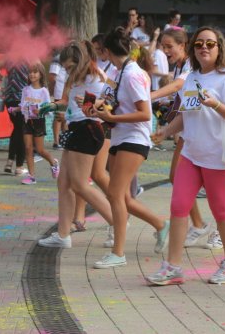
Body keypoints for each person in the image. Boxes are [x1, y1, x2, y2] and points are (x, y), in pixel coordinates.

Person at [146, 26, 225, 285]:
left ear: (219, 48)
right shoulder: (190, 79)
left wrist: (216, 105)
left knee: (221, 210)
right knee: (178, 206)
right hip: (191, 152)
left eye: (210, 44)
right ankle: (173, 267)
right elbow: (184, 115)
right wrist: (166, 131)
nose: (204, 47)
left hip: (219, 156)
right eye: (199, 43)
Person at [87, 27, 170, 269]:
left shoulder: (133, 74)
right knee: (122, 195)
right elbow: (109, 97)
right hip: (120, 137)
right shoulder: (117, 70)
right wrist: (95, 107)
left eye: (101, 51)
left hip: (134, 139)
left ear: (108, 51)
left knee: (115, 194)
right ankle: (160, 224)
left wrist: (112, 119)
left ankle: (118, 252)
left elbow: (144, 114)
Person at [37, 41, 114, 248]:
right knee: (64, 183)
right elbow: (69, 102)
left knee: (80, 184)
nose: (67, 71)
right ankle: (63, 235)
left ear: (80, 62)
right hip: (76, 128)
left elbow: (107, 106)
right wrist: (52, 106)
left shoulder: (96, 79)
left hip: (88, 129)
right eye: (65, 67)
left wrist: (89, 105)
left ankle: (118, 222)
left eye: (70, 66)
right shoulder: (78, 78)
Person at [151, 28, 218, 249]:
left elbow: (180, 86)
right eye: (163, 46)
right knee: (177, 178)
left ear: (183, 45)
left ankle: (216, 231)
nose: (165, 50)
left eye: (169, 46)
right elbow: (183, 100)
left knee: (213, 186)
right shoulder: (179, 66)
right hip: (189, 131)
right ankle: (199, 225)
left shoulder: (190, 64)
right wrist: (167, 125)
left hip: (208, 132)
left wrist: (149, 95)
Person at [12, 62, 59, 185]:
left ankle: (53, 163)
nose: (32, 74)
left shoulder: (44, 91)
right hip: (27, 121)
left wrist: (41, 110)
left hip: (39, 122)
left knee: (40, 149)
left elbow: (49, 107)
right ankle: (31, 176)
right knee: (28, 148)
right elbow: (22, 105)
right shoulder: (25, 90)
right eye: (30, 72)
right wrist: (16, 109)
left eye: (35, 72)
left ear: (41, 74)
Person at [3, 63, 29, 176]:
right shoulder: (27, 60)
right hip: (21, 99)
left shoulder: (11, 59)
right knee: (23, 131)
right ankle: (19, 166)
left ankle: (9, 162)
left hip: (9, 99)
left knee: (17, 129)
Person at [48, 54, 67, 150]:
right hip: (60, 92)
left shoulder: (74, 56)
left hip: (68, 91)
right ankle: (56, 142)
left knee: (66, 117)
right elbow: (52, 77)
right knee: (59, 116)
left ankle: (64, 140)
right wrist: (52, 90)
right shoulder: (58, 58)